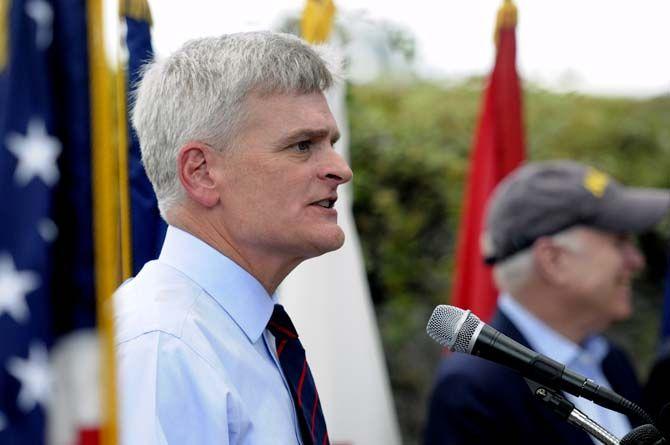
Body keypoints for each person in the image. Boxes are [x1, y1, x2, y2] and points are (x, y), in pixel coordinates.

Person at [114, 31, 352, 444]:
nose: (340, 169)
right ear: (201, 172)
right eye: (301, 146)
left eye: (330, 143)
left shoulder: (245, 331)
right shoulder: (163, 348)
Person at [424, 160, 670, 445]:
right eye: (619, 242)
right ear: (554, 260)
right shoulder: (473, 388)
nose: (637, 260)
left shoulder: (612, 360)